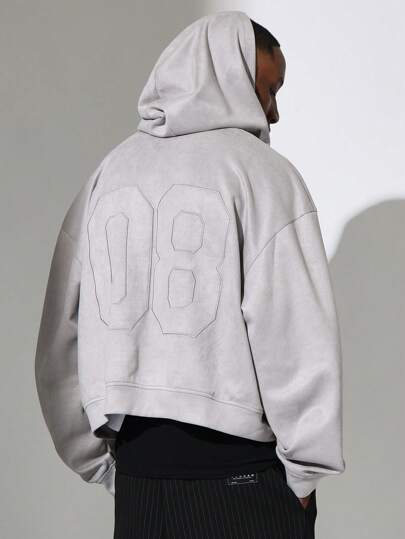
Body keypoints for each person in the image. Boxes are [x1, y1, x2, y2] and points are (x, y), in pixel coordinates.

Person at [34, 10, 345, 539]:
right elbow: (294, 333)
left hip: (140, 481)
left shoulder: (109, 174)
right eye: (269, 90)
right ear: (227, 75)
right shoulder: (264, 176)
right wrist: (305, 472)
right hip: (245, 480)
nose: (274, 111)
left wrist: (96, 461)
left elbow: (61, 336)